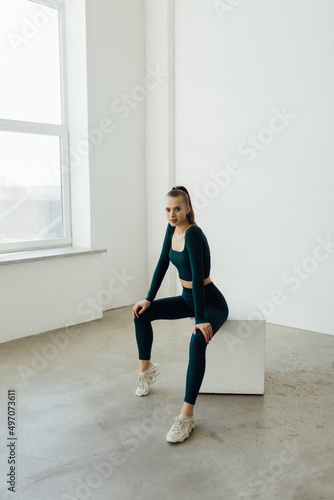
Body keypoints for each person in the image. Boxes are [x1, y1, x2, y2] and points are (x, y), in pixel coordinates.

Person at [132, 186, 229, 443]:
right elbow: (163, 262)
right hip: (188, 299)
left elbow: (197, 279)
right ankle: (147, 371)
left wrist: (201, 319)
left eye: (177, 209)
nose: (172, 214)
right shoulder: (171, 229)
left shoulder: (194, 235)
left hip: (210, 303)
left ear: (187, 209)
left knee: (197, 342)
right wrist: (149, 298)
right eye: (167, 209)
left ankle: (186, 417)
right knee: (141, 315)